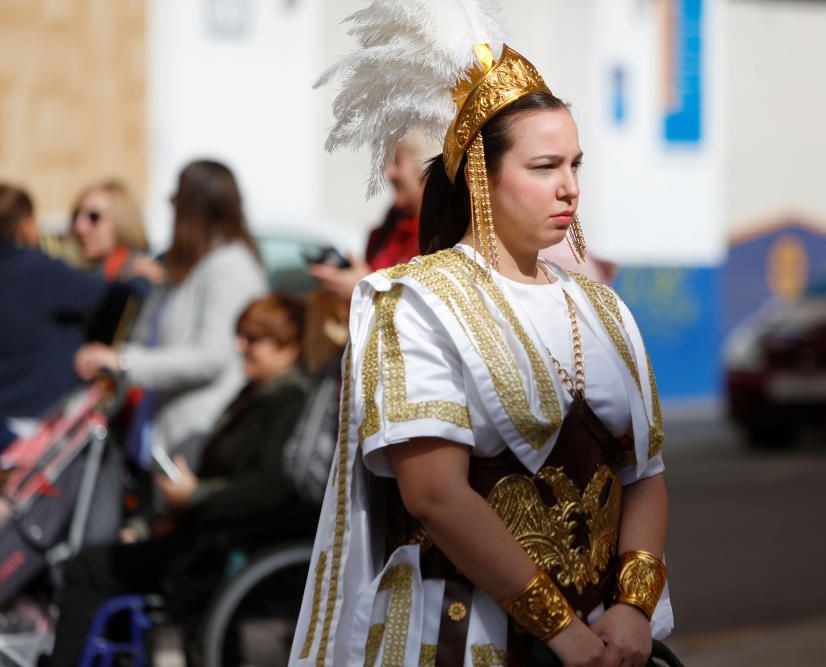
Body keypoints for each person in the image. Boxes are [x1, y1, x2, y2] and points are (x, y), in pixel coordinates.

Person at [290, 6, 672, 667]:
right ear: (481, 176)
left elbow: (645, 473)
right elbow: (433, 491)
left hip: (606, 642)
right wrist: (563, 632)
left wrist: (633, 610)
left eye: (575, 164)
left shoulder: (606, 309)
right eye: (546, 165)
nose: (569, 187)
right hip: (463, 637)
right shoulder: (413, 303)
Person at [47, 293, 311, 667]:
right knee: (97, 562)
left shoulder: (289, 404)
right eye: (240, 335)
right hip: (202, 532)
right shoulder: (254, 396)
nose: (240, 347)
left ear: (289, 347)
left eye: (253, 339)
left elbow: (267, 487)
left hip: (224, 546)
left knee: (88, 568)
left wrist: (195, 496)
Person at [75, 160, 267, 465]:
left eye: (177, 201)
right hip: (168, 439)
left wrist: (123, 361)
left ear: (195, 209)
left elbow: (212, 357)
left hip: (198, 441)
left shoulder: (228, 267)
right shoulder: (197, 263)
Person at [0, 184, 110, 448]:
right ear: (26, 225)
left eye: (93, 217)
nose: (80, 226)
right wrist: (139, 279)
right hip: (34, 425)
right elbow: (108, 299)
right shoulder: (38, 271)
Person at [307, 132, 427, 300]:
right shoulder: (384, 234)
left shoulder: (446, 238)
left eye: (397, 162)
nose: (388, 172)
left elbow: (426, 314)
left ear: (425, 167)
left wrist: (365, 292)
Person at [69, 180, 155, 281]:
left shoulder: (140, 275)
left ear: (122, 220)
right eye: (76, 215)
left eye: (94, 217)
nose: (79, 227)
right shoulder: (91, 273)